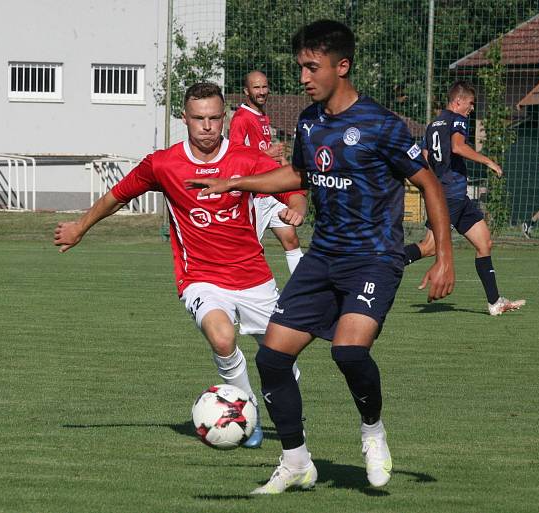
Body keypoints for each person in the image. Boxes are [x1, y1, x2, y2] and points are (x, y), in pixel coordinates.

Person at [186, 20, 455, 493]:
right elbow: (297, 174)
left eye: (313, 67)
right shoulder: (310, 122)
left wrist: (444, 256)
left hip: (372, 258)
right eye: (301, 68)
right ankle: (296, 462)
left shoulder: (380, 124)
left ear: (342, 65)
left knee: (349, 351)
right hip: (323, 257)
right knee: (272, 358)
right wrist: (233, 182)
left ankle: (373, 433)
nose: (304, 77)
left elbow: (429, 183)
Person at [53, 82, 307, 449]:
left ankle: (290, 420)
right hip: (200, 277)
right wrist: (80, 226)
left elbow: (292, 187)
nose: (207, 126)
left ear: (225, 118)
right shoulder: (163, 163)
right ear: (185, 119)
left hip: (254, 278)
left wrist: (296, 208)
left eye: (215, 118)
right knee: (222, 338)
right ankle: (244, 411)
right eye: (199, 118)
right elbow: (116, 196)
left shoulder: (246, 158)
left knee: (280, 357)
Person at [403, 81, 526, 316]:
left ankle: (495, 302)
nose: (471, 108)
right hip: (449, 196)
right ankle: (382, 264)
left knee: (484, 243)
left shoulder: (432, 125)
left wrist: (427, 188)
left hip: (456, 196)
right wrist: (488, 161)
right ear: (458, 101)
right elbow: (458, 147)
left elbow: (425, 159)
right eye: (470, 103)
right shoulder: (457, 120)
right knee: (429, 247)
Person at [230, 70, 304, 274]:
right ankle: (231, 290)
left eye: (264, 86)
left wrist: (280, 161)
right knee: (246, 250)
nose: (262, 91)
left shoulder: (262, 116)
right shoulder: (241, 118)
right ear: (246, 91)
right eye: (256, 87)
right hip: (255, 195)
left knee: (291, 238)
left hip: (271, 193)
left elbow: (263, 153)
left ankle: (303, 292)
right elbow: (234, 157)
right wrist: (265, 153)